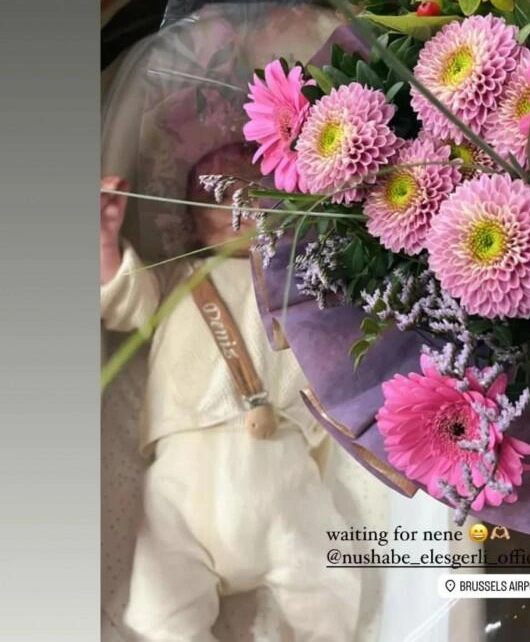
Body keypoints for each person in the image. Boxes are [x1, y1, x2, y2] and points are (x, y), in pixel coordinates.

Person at [100, 143, 362, 642]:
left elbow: (343, 349)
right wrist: (105, 243)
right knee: (161, 613)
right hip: (185, 466)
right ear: (191, 222)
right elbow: (125, 299)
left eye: (250, 186)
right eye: (213, 194)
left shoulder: (301, 286)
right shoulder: (177, 277)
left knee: (329, 587)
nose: (235, 201)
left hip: (283, 463)